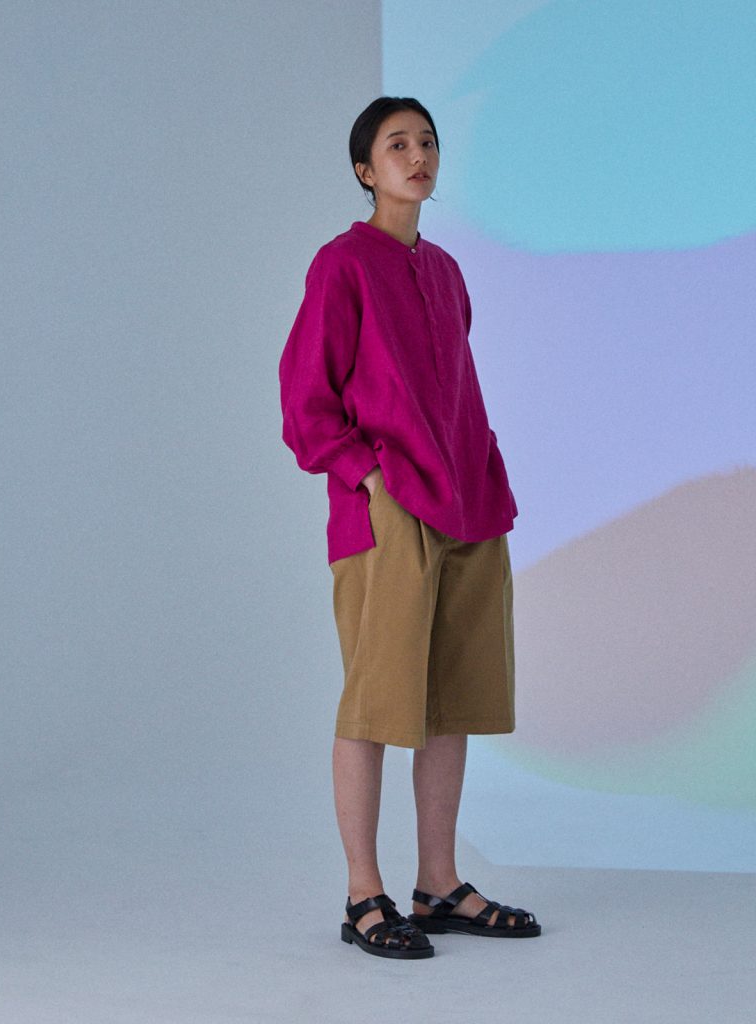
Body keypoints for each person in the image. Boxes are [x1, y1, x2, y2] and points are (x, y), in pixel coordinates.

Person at [278, 96, 541, 959]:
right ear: (365, 170)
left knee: (450, 700)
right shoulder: (342, 265)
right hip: (387, 516)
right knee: (374, 701)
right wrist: (374, 481)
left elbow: (457, 388)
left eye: (427, 141)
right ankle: (364, 895)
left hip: (469, 505)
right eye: (397, 144)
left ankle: (438, 884)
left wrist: (486, 470)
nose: (417, 154)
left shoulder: (448, 272)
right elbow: (306, 404)